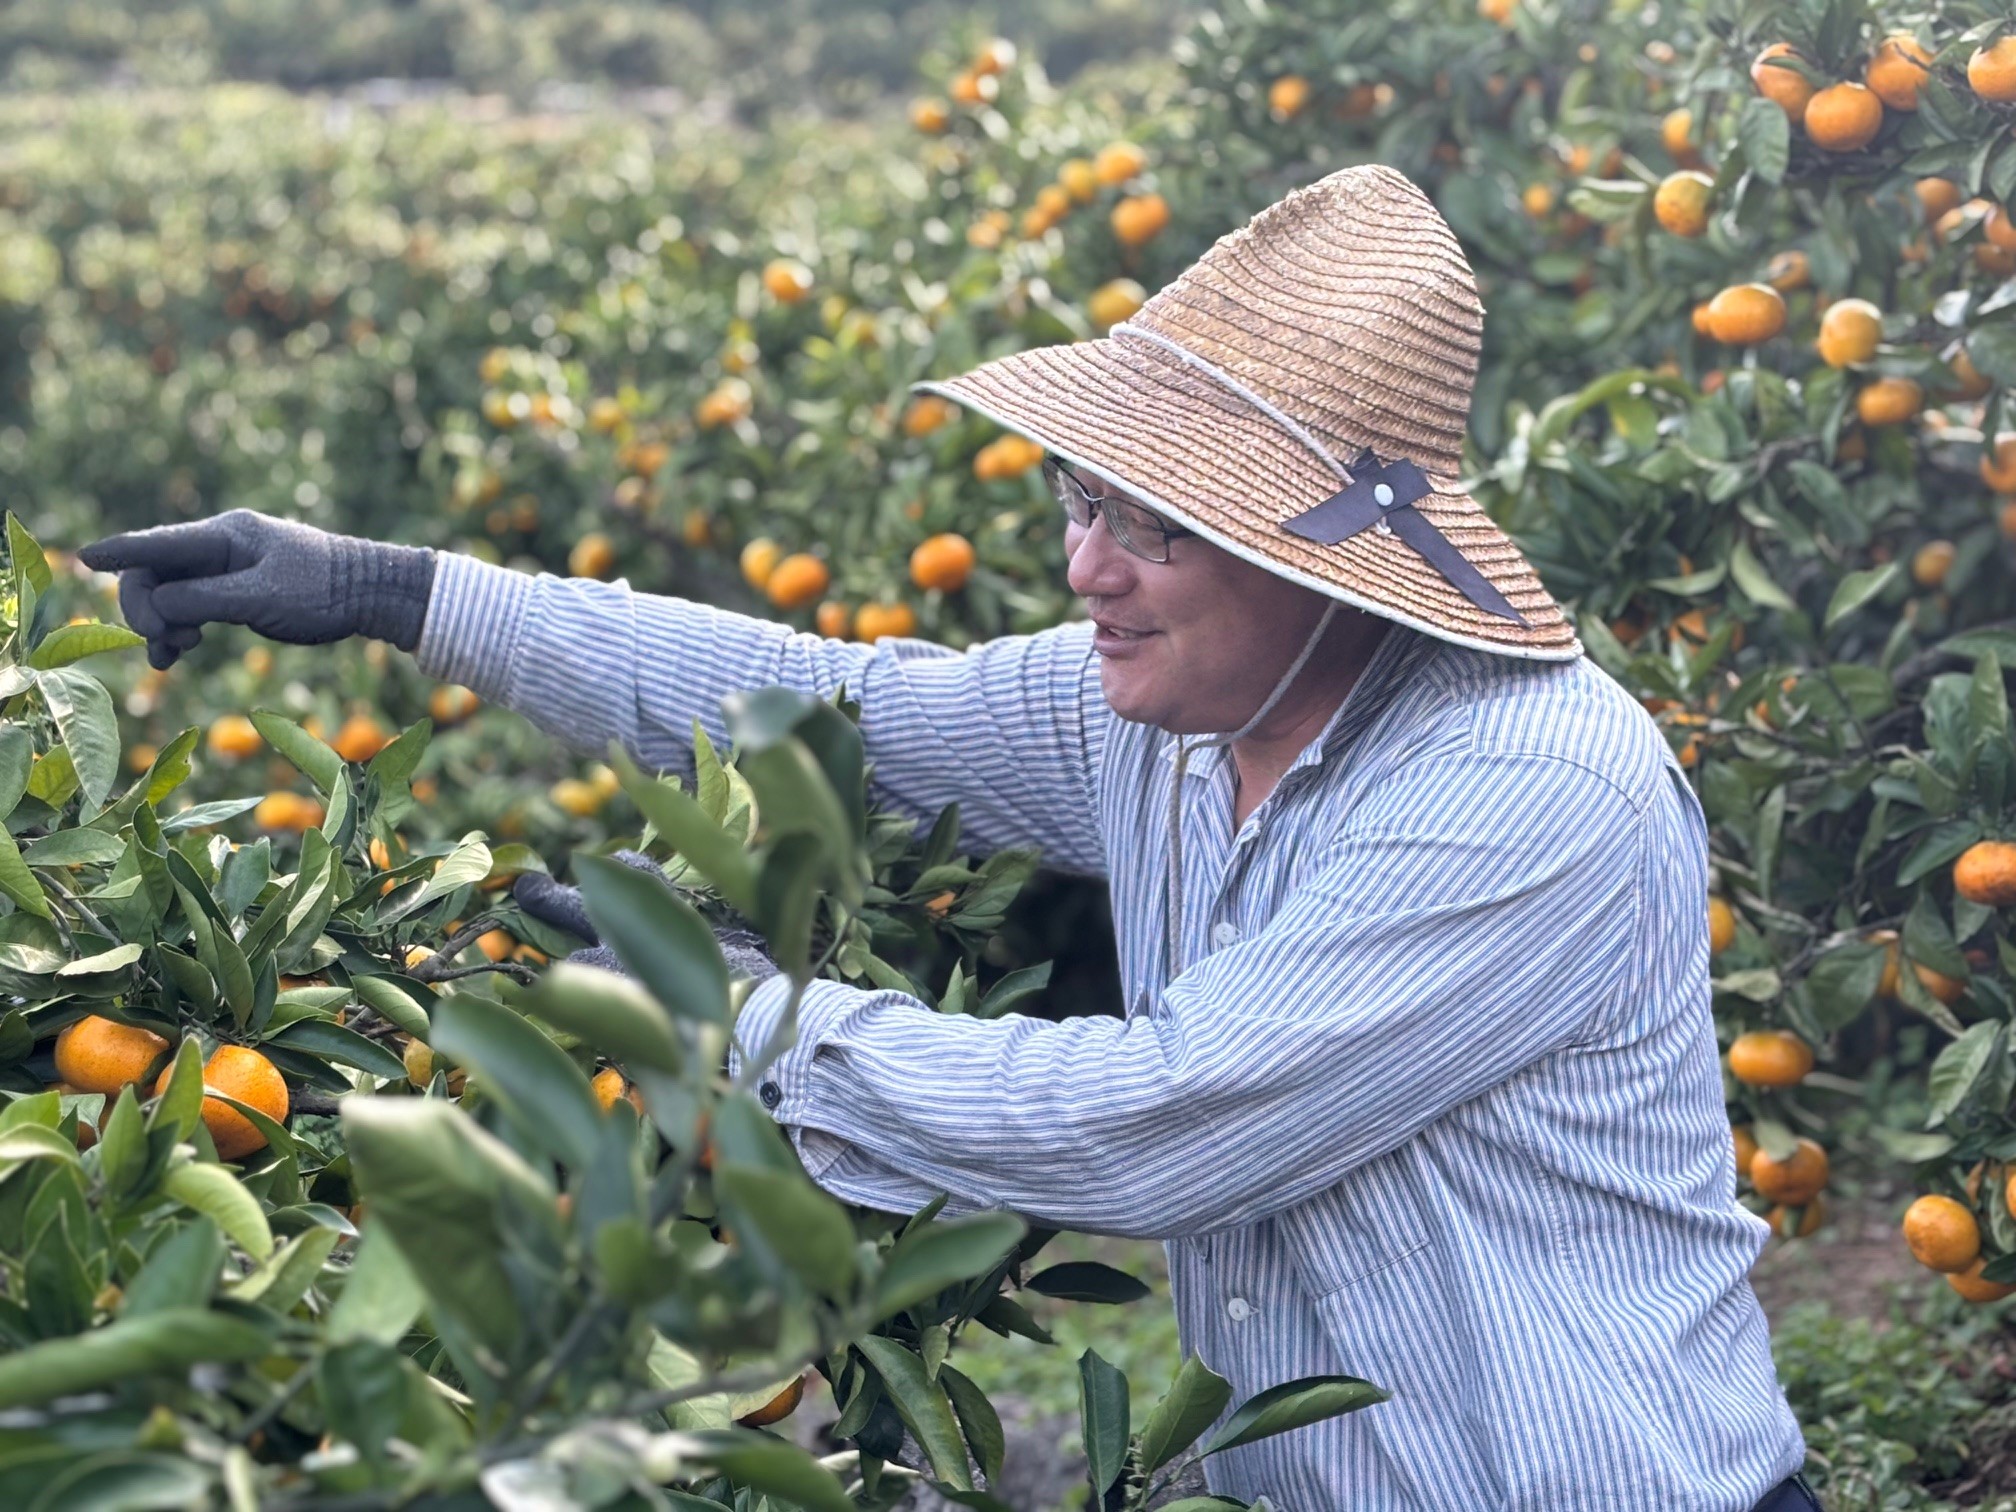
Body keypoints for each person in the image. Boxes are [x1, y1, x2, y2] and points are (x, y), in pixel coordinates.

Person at [79, 164, 1821, 1511]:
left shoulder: (1521, 792)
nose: (1086, 567)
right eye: (1083, 501)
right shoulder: (1167, 713)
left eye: (1155, 526)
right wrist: (398, 591)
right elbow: (832, 708)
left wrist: (736, 1020)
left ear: (1318, 558)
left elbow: (1158, 1123)